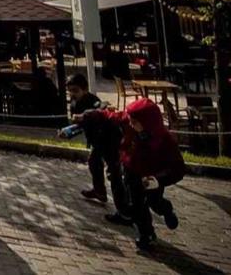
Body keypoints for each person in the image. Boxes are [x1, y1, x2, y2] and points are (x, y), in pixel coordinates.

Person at [80, 98, 184, 249]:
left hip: (152, 177)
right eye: (131, 121)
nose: (131, 124)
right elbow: (114, 116)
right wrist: (96, 114)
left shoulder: (164, 141)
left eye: (135, 122)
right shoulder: (129, 123)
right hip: (132, 170)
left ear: (147, 122)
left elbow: (178, 169)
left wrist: (159, 179)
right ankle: (146, 235)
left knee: (154, 202)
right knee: (137, 206)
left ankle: (167, 210)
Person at [62, 74, 128, 217]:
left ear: (85, 89)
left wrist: (84, 116)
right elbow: (80, 125)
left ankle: (124, 211)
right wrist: (68, 132)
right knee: (94, 162)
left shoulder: (93, 101)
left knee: (114, 173)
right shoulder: (74, 103)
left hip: (109, 139)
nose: (72, 94)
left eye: (75, 90)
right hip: (96, 140)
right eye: (70, 91)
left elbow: (102, 109)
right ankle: (99, 191)